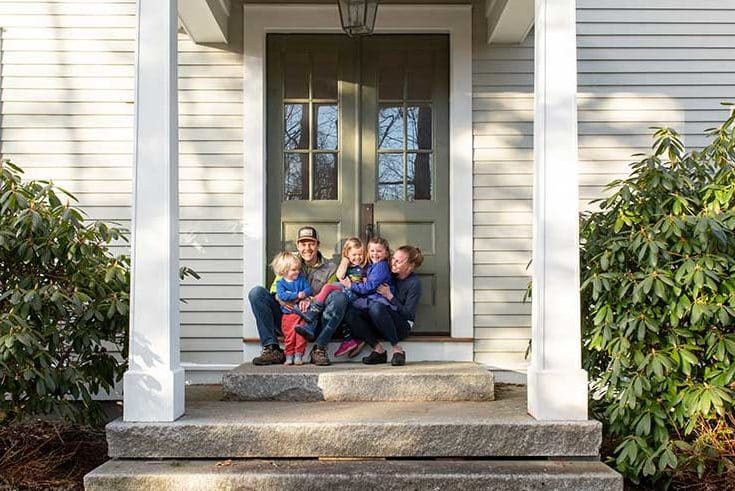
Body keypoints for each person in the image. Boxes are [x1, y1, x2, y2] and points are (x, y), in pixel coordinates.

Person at [248, 226, 348, 366]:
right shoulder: (289, 262)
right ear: (297, 245)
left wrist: (310, 299)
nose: (307, 248)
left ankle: (319, 348)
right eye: (303, 244)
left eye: (311, 243)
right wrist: (280, 299)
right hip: (287, 318)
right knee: (256, 293)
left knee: (340, 298)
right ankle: (272, 348)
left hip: (313, 322)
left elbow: (332, 292)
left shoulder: (331, 268)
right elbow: (275, 290)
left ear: (318, 244)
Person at [345, 245, 424, 366]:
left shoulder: (414, 283)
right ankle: (378, 350)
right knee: (351, 312)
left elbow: (408, 314)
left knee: (377, 307)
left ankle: (398, 350)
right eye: (393, 259)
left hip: (401, 326)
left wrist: (390, 296)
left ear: (410, 266)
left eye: (398, 261)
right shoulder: (388, 272)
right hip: (379, 321)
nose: (393, 263)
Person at [297, 237, 367, 358]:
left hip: (352, 295)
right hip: (302, 310)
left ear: (318, 245)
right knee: (331, 289)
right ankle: (311, 321)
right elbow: (277, 288)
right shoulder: (292, 263)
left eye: (360, 254)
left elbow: (342, 277)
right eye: (354, 254)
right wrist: (345, 261)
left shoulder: (363, 267)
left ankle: (314, 313)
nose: (357, 257)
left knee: (330, 289)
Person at [271, 252, 311, 365]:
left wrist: (305, 293)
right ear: (284, 270)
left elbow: (308, 289)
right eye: (294, 270)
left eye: (298, 269)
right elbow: (282, 295)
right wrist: (297, 295)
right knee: (289, 337)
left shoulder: (301, 280)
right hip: (288, 316)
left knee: (300, 337)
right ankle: (289, 356)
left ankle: (298, 356)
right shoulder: (280, 283)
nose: (297, 272)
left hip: (301, 315)